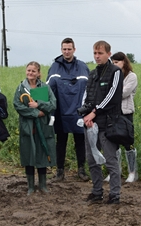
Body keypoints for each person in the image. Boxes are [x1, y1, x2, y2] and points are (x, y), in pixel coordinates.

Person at [82, 41, 124, 204]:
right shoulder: (92, 74)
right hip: (91, 124)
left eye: (100, 53)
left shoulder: (116, 72)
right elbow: (87, 96)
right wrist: (85, 116)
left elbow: (112, 97)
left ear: (108, 54)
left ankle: (114, 194)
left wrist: (94, 112)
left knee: (110, 160)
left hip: (108, 124)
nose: (97, 56)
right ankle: (97, 191)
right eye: (95, 53)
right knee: (92, 159)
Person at [47, 38, 90, 182]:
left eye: (69, 49)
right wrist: (36, 102)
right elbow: (47, 88)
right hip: (60, 110)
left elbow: (90, 89)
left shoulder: (82, 66)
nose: (66, 51)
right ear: (61, 50)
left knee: (80, 140)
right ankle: (60, 171)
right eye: (64, 49)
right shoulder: (54, 67)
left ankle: (81, 170)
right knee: (61, 141)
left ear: (74, 50)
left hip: (79, 111)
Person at [14, 62, 57, 195]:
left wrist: (39, 105)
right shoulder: (21, 88)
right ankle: (30, 186)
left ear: (38, 73)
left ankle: (43, 185)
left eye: (33, 71)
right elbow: (18, 106)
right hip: (28, 127)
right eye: (29, 70)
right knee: (29, 154)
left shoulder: (45, 87)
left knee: (42, 154)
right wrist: (35, 113)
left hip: (43, 126)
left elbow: (53, 104)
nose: (30, 73)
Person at [111, 52, 138, 183]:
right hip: (112, 113)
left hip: (126, 112)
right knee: (113, 142)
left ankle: (132, 172)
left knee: (128, 143)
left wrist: (110, 93)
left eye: (117, 62)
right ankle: (115, 171)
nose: (114, 64)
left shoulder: (131, 76)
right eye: (113, 62)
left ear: (124, 62)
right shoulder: (112, 75)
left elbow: (124, 92)